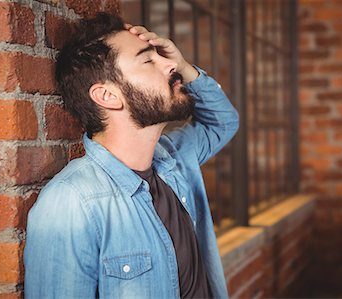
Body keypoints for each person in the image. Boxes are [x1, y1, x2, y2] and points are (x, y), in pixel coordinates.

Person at [24, 12, 239, 299]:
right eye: (149, 60)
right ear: (108, 96)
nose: (170, 64)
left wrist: (186, 68)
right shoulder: (72, 204)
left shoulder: (173, 159)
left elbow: (223, 122)